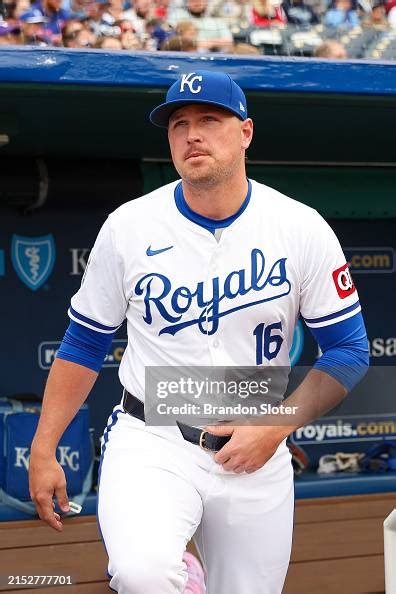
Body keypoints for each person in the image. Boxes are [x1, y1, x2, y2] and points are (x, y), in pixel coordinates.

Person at [29, 70, 369, 594]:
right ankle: (179, 576)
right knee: (143, 572)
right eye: (179, 124)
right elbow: (85, 341)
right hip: (154, 435)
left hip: (255, 444)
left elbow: (349, 350)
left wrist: (276, 426)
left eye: (210, 120)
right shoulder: (129, 225)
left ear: (246, 133)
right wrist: (45, 447)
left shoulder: (299, 226)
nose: (192, 134)